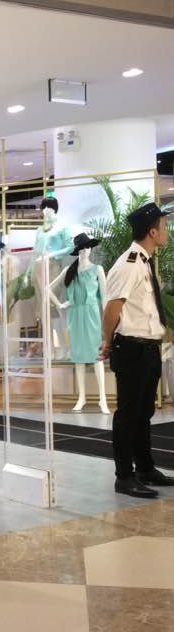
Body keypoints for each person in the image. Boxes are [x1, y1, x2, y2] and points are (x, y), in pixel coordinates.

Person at [99, 201, 173, 498]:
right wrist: (107, 342)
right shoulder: (129, 264)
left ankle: (145, 468)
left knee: (143, 413)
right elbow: (112, 310)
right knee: (128, 415)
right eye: (165, 227)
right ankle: (124, 476)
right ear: (153, 232)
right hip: (131, 349)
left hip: (148, 349)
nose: (167, 232)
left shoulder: (144, 261)